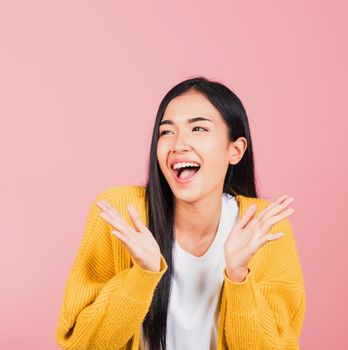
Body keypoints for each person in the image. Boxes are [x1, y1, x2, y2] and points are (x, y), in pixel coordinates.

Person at [55, 76, 306, 350]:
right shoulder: (121, 213)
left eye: (198, 128)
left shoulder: (262, 227)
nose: (178, 144)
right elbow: (82, 345)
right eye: (166, 132)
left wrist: (238, 275)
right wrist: (141, 275)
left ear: (235, 150)